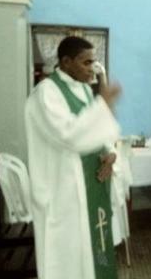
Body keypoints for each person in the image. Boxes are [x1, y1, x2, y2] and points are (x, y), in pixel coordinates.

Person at [25, 36, 122, 279]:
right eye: (85, 62)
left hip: (90, 187)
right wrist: (104, 106)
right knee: (68, 261)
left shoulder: (84, 91)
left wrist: (109, 153)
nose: (92, 68)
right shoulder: (46, 93)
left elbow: (96, 133)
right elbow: (70, 135)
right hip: (63, 192)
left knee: (91, 252)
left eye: (93, 62)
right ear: (66, 62)